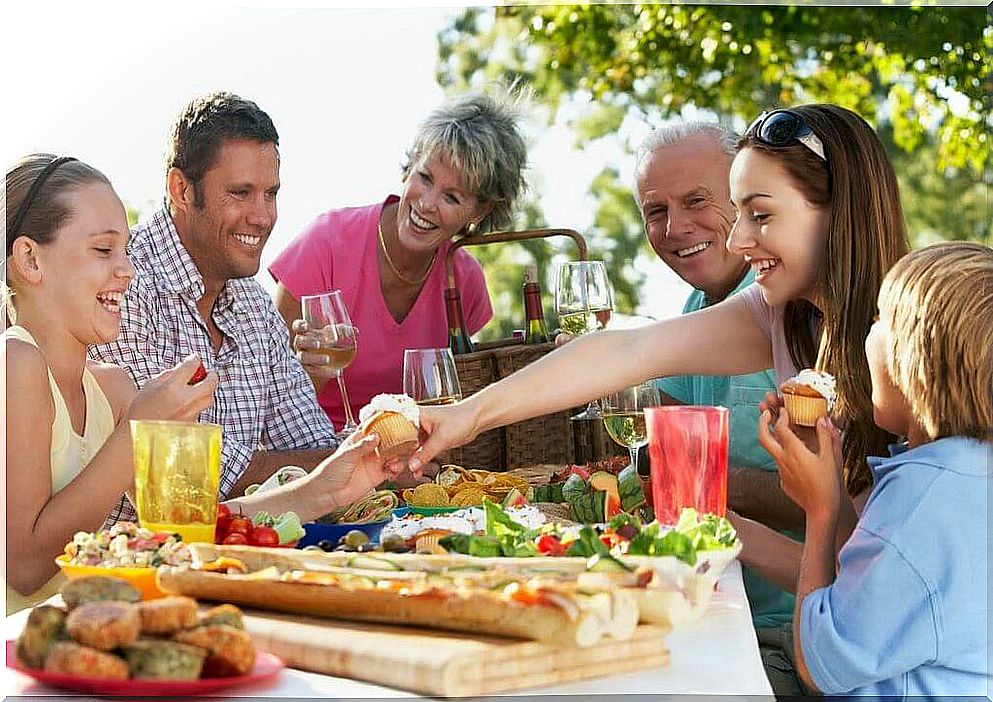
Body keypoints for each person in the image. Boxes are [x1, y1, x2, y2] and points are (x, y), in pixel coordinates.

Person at [411, 103, 909, 571]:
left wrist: (717, 519)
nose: (739, 239)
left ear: (838, 212)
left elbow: (870, 577)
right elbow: (630, 349)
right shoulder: (783, 315)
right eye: (739, 214)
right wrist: (463, 416)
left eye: (760, 215)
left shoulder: (913, 344)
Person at [3, 154, 405, 614]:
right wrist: (139, 428)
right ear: (30, 260)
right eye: (103, 250)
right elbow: (26, 565)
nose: (127, 270)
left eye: (127, 251)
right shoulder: (17, 362)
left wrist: (320, 491)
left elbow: (189, 530)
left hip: (96, 636)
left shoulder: (111, 389)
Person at [90, 92, 339, 525]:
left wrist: (373, 460)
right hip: (134, 571)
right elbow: (180, 465)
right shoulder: (122, 284)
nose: (263, 217)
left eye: (271, 194)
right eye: (241, 193)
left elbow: (310, 437)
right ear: (181, 190)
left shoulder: (254, 305)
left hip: (237, 561)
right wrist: (347, 470)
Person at [759, 242, 990, 696]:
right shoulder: (961, 475)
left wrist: (821, 511)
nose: (867, 331)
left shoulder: (922, 499)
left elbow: (819, 665)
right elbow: (874, 594)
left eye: (879, 319)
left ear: (917, 358)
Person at [269, 92, 528, 429]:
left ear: (479, 211)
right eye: (425, 178)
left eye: (452, 197)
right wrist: (312, 373)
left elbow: (454, 397)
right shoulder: (326, 242)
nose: (427, 204)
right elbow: (268, 395)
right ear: (410, 167)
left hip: (414, 458)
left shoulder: (464, 280)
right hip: (317, 449)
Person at [633, 122, 797, 634]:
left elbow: (844, 495)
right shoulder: (694, 307)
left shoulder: (791, 303)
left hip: (783, 627)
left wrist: (706, 486)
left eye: (696, 201)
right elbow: (653, 455)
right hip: (705, 604)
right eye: (655, 211)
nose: (674, 227)